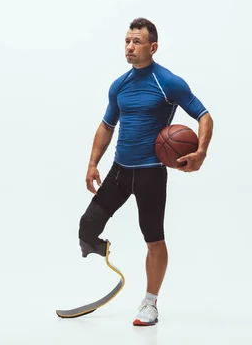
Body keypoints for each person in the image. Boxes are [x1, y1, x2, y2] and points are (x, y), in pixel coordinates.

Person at [77, 17, 214, 326]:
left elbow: (204, 116)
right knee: (86, 229)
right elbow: (106, 125)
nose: (129, 46)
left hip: (152, 173)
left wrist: (201, 152)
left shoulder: (168, 82)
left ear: (152, 47)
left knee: (153, 240)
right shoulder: (119, 85)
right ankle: (105, 250)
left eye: (136, 41)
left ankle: (150, 303)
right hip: (120, 171)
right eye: (127, 41)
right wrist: (92, 163)